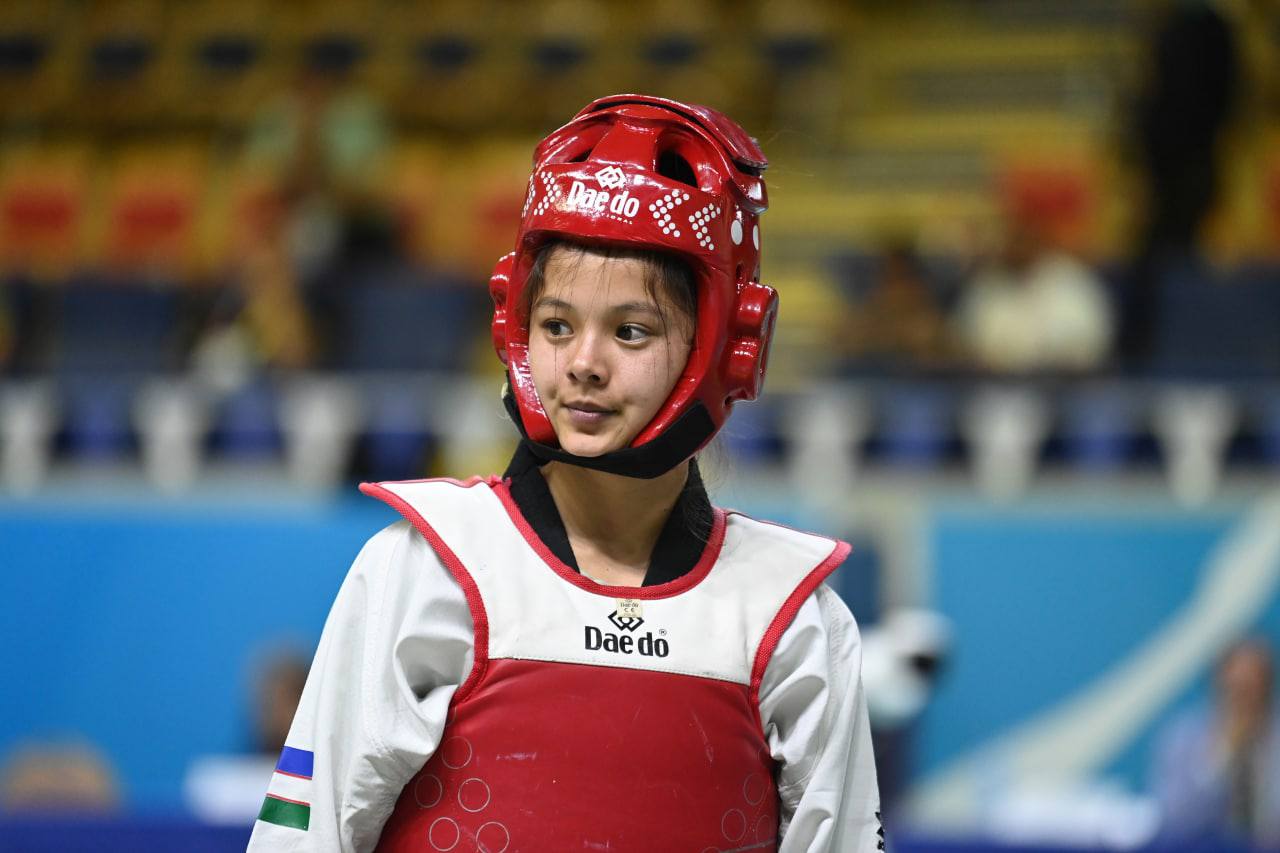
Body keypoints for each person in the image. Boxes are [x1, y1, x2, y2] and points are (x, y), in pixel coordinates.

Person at [247, 94, 881, 852]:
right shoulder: (424, 571)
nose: (583, 362)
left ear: (728, 347)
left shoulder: (792, 617)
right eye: (556, 324)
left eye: (631, 331)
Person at [1150, 637, 1280, 847]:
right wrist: (1221, 755)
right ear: (1219, 686)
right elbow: (1174, 819)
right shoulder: (1184, 738)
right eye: (1237, 690)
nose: (1245, 701)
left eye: (1254, 687)